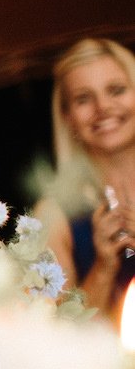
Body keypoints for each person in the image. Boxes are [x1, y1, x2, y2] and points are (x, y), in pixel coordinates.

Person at [39, 37, 135, 318]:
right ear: (68, 117)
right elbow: (63, 338)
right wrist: (104, 266)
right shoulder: (54, 214)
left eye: (116, 90)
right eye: (84, 98)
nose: (102, 107)